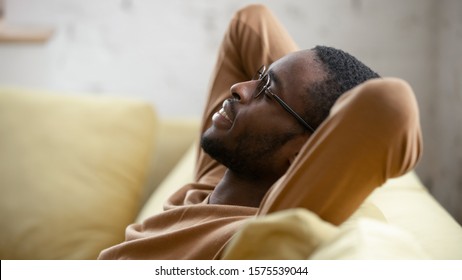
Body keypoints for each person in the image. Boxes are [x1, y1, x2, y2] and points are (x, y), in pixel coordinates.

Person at [98, 4, 422, 260]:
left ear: (302, 155)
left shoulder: (256, 235)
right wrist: (288, 81)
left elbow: (388, 105)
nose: (238, 88)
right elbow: (250, 21)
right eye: (259, 76)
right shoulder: (211, 181)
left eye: (267, 91)